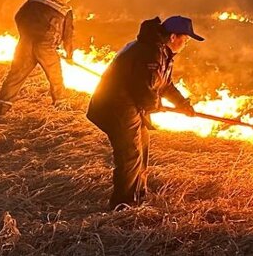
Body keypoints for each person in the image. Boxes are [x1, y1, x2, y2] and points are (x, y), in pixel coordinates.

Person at [86, 16, 202, 207]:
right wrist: (155, 105)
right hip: (117, 107)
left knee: (142, 148)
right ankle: (123, 206)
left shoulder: (161, 51)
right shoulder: (150, 52)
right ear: (173, 36)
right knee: (130, 155)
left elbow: (164, 85)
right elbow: (144, 88)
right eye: (185, 38)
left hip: (130, 106)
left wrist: (183, 104)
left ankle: (137, 196)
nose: (186, 43)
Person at [0, 0, 77, 115]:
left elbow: (18, 17)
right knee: (55, 77)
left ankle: (2, 108)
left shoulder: (34, 0)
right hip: (46, 47)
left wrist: (25, 34)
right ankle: (61, 106)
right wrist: (69, 55)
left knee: (16, 75)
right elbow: (68, 35)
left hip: (25, 43)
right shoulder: (65, 9)